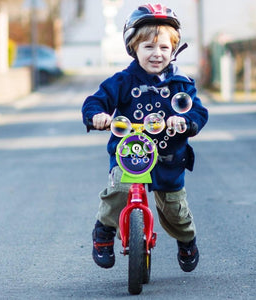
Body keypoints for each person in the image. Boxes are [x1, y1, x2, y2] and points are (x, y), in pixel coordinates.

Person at [82, 3, 208, 272]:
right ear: (133, 47)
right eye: (148, 47)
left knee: (175, 209)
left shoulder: (181, 84)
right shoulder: (123, 81)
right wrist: (98, 116)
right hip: (131, 153)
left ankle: (187, 240)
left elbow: (198, 111)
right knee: (119, 190)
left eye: (164, 47)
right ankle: (104, 232)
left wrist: (185, 121)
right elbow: (95, 102)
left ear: (173, 50)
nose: (156, 54)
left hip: (168, 155)